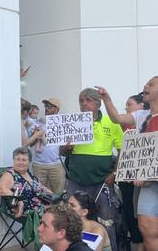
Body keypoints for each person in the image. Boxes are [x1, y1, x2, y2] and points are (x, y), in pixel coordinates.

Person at [98, 79, 158, 250]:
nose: (145, 87)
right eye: (146, 84)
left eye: (151, 84)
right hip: (147, 183)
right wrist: (106, 99)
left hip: (148, 179)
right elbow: (117, 118)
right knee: (146, 227)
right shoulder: (141, 116)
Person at [60, 88, 123, 250]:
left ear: (98, 102)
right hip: (76, 180)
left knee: (107, 220)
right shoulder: (72, 122)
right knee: (70, 219)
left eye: (88, 100)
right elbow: (62, 151)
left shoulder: (112, 122)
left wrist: (115, 172)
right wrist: (66, 148)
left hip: (102, 181)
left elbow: (123, 150)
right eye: (81, 100)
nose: (84, 104)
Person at [22, 97, 66, 194]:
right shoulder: (38, 123)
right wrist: (35, 135)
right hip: (39, 165)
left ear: (56, 109)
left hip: (57, 165)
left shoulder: (64, 124)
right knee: (39, 195)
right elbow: (30, 144)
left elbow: (66, 146)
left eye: (49, 106)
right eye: (45, 106)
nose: (46, 108)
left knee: (58, 194)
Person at [0, 147, 53, 218]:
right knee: (56, 213)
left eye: (24, 160)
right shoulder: (10, 174)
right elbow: (1, 189)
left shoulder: (29, 174)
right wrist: (19, 201)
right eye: (17, 159)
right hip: (27, 210)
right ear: (13, 160)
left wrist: (55, 196)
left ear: (29, 162)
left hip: (41, 206)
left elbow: (42, 187)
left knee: (61, 206)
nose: (20, 163)